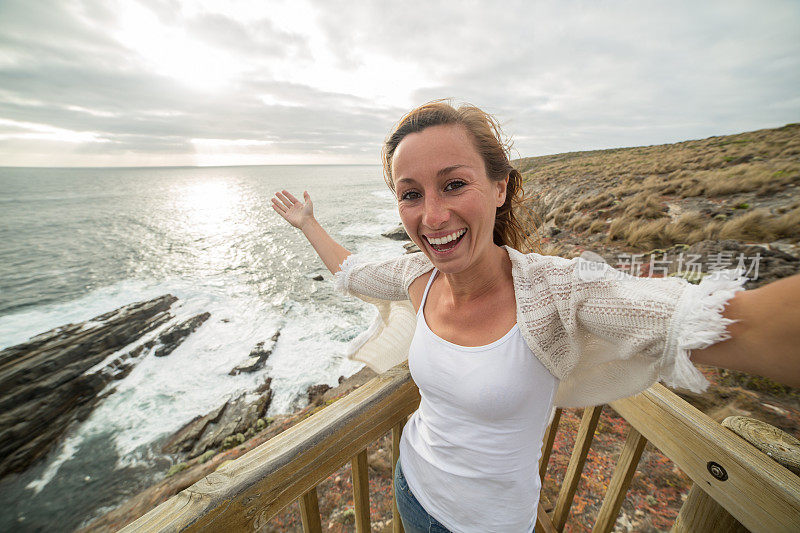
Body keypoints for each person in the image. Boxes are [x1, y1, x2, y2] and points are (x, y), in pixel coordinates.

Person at [271, 100, 800, 533]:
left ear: (500, 187)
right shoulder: (417, 278)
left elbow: (737, 324)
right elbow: (352, 271)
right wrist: (308, 223)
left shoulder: (559, 292)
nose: (432, 216)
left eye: (454, 184)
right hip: (413, 488)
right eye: (411, 194)